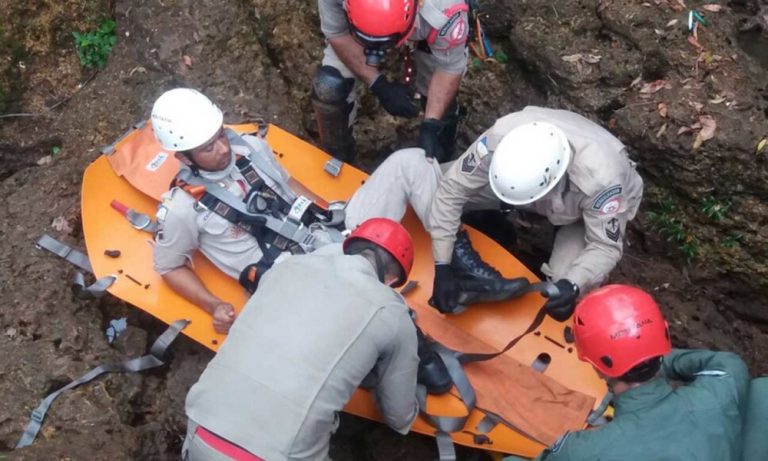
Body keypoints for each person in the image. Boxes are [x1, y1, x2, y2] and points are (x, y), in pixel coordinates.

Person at [151, 88, 498, 334]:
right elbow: (168, 266)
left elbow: (287, 185)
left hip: (330, 234)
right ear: (183, 157)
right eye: (208, 147)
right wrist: (213, 305)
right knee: (360, 300)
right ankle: (402, 336)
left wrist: (331, 212)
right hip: (295, 276)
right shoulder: (183, 209)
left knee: (410, 162)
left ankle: (456, 263)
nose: (222, 148)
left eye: (220, 135)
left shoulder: (251, 147)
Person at [182, 218, 419, 461]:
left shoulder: (285, 268)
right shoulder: (391, 311)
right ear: (391, 281)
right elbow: (399, 416)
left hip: (200, 432)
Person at [427, 106, 645, 318]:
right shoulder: (497, 140)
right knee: (429, 187)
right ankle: (481, 229)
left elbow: (604, 246)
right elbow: (451, 189)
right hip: (517, 190)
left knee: (563, 283)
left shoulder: (603, 181)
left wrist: (573, 285)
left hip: (585, 208)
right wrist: (443, 265)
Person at [502, 284, 750, 461]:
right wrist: (651, 354)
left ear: (598, 368)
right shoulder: (718, 394)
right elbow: (729, 363)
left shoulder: (583, 451)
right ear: (663, 336)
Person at [313, 0, 470, 162]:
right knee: (330, 85)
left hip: (426, 27)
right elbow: (338, 34)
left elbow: (448, 68)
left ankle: (440, 151)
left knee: (439, 104)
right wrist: (377, 82)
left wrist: (431, 124)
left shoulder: (445, 11)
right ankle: (338, 153)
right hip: (357, 29)